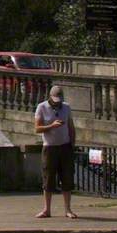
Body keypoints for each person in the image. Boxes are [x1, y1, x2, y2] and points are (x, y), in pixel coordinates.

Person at [34, 83, 77, 219]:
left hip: (65, 146)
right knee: (48, 178)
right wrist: (51, 126)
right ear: (50, 97)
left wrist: (72, 143)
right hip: (49, 147)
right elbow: (37, 128)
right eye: (55, 101)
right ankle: (47, 209)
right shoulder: (42, 107)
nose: (57, 103)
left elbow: (71, 126)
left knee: (67, 178)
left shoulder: (66, 107)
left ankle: (68, 209)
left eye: (59, 101)